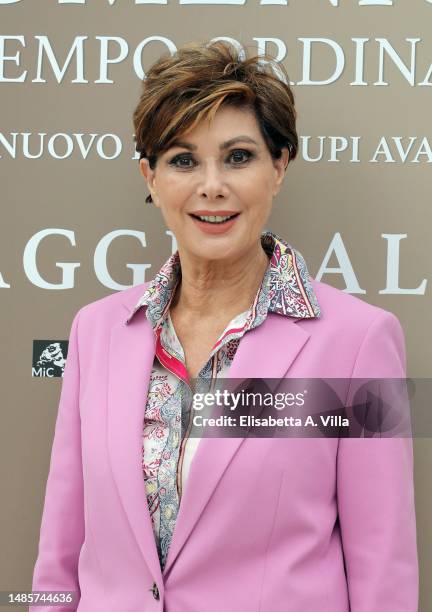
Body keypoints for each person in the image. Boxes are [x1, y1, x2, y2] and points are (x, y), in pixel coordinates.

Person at [31, 40, 418, 612]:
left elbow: (382, 571)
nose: (212, 185)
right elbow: (60, 557)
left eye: (238, 156)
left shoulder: (359, 341)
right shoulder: (97, 331)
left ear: (280, 166)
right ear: (151, 177)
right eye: (183, 160)